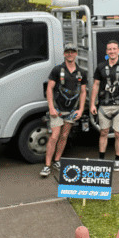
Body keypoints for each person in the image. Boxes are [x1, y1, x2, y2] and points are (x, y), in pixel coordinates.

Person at [41, 43, 88, 177]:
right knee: (54, 136)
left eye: (72, 51)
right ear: (64, 54)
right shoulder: (57, 70)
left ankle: (57, 160)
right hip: (57, 110)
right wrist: (51, 107)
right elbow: (49, 88)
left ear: (76, 54)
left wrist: (80, 110)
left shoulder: (81, 73)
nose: (70, 54)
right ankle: (47, 166)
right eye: (67, 51)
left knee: (64, 136)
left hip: (71, 111)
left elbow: (83, 92)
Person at [90, 40, 119, 172]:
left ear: (118, 50)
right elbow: (96, 85)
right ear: (106, 51)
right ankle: (101, 160)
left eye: (114, 49)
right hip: (104, 105)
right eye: (109, 49)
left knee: (118, 134)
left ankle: (117, 161)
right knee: (103, 132)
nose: (112, 51)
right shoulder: (100, 67)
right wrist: (92, 103)